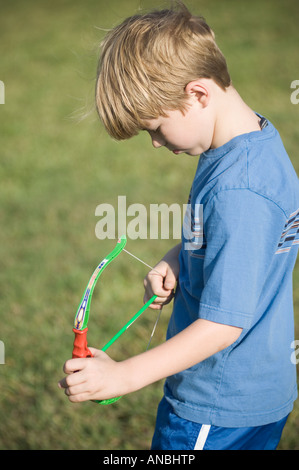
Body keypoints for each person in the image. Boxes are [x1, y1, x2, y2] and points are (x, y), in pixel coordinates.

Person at [58, 3, 299, 450]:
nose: (154, 142)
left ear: (199, 94)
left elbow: (222, 326)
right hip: (252, 394)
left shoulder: (239, 191)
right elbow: (240, 244)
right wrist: (180, 256)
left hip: (217, 409)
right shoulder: (251, 144)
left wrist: (123, 375)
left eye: (156, 128)